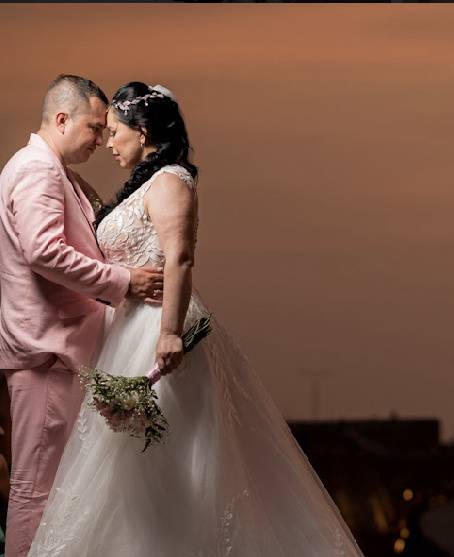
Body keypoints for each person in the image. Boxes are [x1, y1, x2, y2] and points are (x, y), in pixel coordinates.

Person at [27, 82, 364, 556]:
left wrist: (168, 333)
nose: (109, 142)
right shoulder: (145, 185)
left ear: (143, 133)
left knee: (166, 459)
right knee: (129, 465)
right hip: (126, 331)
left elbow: (179, 258)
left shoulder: (172, 182)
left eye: (117, 132)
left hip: (157, 328)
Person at [0, 75, 164, 557]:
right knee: (37, 490)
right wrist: (123, 281)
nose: (101, 138)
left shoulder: (49, 169)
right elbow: (44, 251)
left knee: (58, 489)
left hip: (60, 354)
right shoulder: (38, 170)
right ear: (62, 119)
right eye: (95, 128)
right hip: (47, 356)